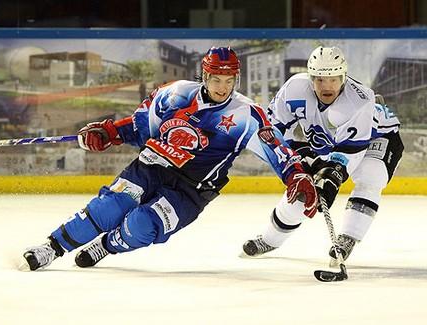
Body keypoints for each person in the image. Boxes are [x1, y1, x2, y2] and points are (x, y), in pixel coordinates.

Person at [21, 46, 318, 271]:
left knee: (140, 226)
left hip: (190, 191)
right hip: (151, 167)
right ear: (205, 75)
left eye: (229, 80)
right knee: (109, 209)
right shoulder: (173, 94)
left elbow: (276, 148)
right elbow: (138, 127)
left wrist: (296, 175)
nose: (223, 87)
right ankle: (52, 247)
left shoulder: (247, 115)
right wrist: (110, 133)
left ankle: (107, 245)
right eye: (217, 79)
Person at [242, 46, 403, 264]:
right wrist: (299, 155)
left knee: (371, 176)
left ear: (343, 77)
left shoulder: (359, 100)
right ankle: (270, 239)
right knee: (303, 188)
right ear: (310, 78)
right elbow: (272, 131)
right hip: (332, 142)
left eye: (334, 79)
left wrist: (332, 175)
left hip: (379, 135)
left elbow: (350, 152)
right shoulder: (294, 89)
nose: (327, 86)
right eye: (319, 79)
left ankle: (348, 238)